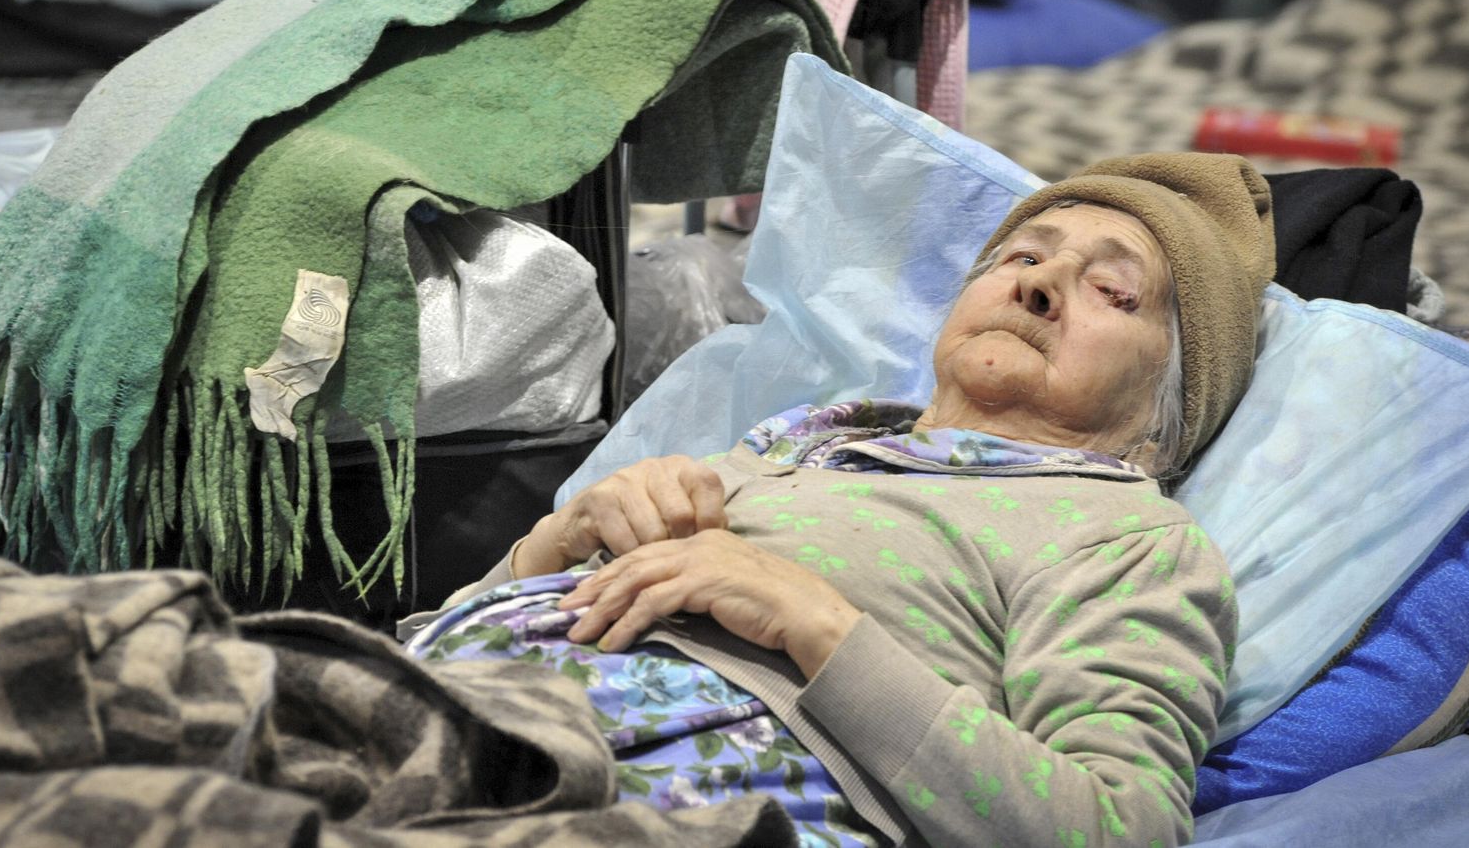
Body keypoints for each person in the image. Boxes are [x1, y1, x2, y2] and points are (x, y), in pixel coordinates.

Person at [402, 153, 1276, 847]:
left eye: (1114, 292)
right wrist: (559, 539)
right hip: (429, 711)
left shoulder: (1124, 535)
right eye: (1023, 256)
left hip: (647, 798)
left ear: (1168, 414)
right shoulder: (795, 445)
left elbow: (1121, 827)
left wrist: (816, 624)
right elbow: (438, 630)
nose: (1038, 284)